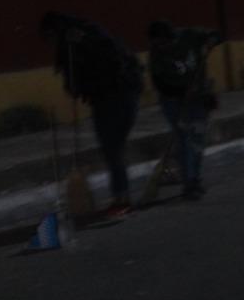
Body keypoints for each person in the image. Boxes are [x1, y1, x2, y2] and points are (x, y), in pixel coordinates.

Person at [41, 12, 144, 218]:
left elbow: (109, 57)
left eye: (50, 36)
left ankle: (121, 199)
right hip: (105, 100)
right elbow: (73, 76)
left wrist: (82, 44)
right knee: (112, 150)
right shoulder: (68, 47)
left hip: (118, 97)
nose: (50, 42)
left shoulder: (87, 36)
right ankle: (120, 197)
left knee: (112, 149)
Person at [147, 20, 223, 200]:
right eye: (156, 44)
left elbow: (218, 34)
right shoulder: (156, 54)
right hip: (172, 100)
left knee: (197, 140)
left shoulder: (190, 36)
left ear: (171, 38)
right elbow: (160, 84)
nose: (160, 47)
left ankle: (194, 179)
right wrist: (181, 92)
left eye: (163, 43)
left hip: (198, 98)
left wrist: (211, 41)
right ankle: (189, 184)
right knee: (183, 139)